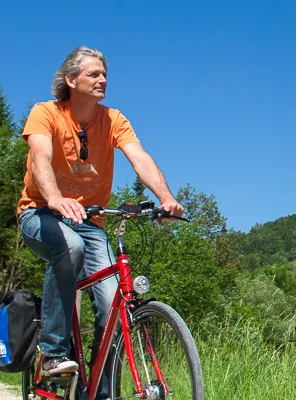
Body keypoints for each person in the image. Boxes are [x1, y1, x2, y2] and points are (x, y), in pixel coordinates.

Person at [17, 46, 183, 399]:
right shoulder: (44, 113)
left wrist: (165, 197)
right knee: (69, 248)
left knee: (114, 302)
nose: (102, 79)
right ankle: (53, 353)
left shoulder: (113, 119)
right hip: (41, 213)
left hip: (90, 221)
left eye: (104, 74)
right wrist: (56, 198)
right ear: (71, 79)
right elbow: (40, 158)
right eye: (93, 74)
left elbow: (140, 157)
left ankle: (100, 389)